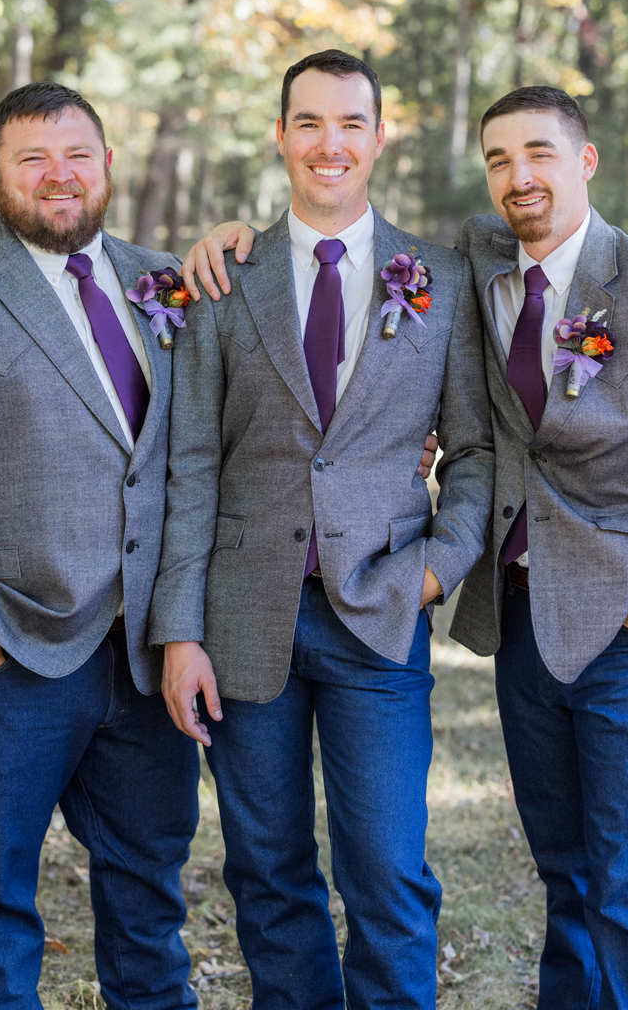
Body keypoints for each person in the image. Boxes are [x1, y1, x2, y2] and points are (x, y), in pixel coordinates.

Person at [183, 83, 628, 1009]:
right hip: (522, 616)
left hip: (626, 619)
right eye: (499, 159)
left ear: (586, 160)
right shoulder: (476, 260)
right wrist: (225, 234)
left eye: (540, 153)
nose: (519, 176)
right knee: (565, 871)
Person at [150, 49, 494, 1010]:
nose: (329, 143)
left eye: (351, 123)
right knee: (266, 869)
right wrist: (180, 631)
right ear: (280, 135)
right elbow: (189, 466)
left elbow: (474, 454)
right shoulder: (226, 278)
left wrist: (434, 571)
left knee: (386, 870)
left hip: (380, 613)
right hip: (243, 618)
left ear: (380, 138)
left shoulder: (442, 280)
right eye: (309, 122)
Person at [0, 82, 210, 1010]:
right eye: (32, 159)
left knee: (150, 891)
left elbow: (194, 456)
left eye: (78, 155)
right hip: (5, 651)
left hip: (143, 656)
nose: (59, 176)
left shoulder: (166, 280)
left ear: (108, 165)